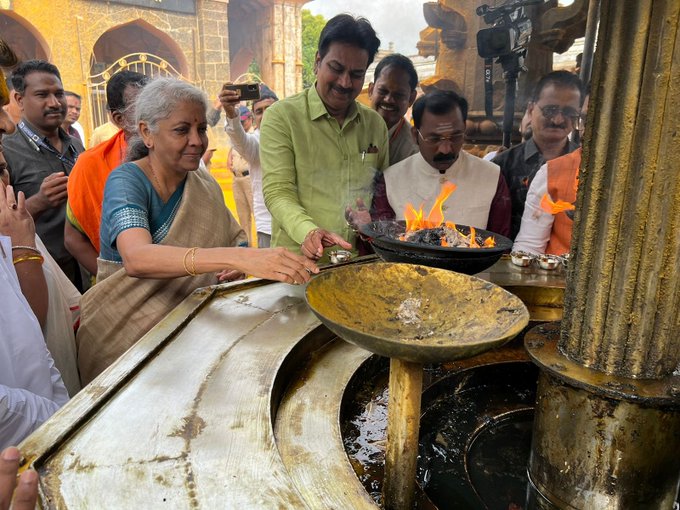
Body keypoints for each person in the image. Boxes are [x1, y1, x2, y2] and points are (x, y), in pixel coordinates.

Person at [76, 78, 319, 385]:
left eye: (201, 128)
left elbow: (235, 240)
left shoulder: (201, 182)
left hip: (192, 338)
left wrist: (238, 262)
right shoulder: (127, 181)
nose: (197, 140)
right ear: (147, 133)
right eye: (182, 130)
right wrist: (235, 258)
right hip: (125, 343)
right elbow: (137, 258)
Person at [261, 14, 387, 259]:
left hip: (358, 263)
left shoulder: (374, 125)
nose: (345, 82)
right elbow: (278, 192)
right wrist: (309, 232)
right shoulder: (282, 117)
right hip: (299, 265)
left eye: (356, 74)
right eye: (336, 68)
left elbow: (382, 193)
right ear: (318, 61)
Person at [379, 90, 511, 236]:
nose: (446, 149)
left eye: (455, 137)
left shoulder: (490, 177)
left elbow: (501, 244)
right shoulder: (391, 180)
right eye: (434, 139)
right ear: (415, 135)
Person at [3, 60, 85, 289]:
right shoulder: (6, 152)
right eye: (42, 95)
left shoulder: (76, 147)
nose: (54, 103)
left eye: (58, 93)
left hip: (85, 268)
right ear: (19, 100)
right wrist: (39, 202)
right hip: (42, 277)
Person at [64, 71, 149, 277]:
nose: (156, 115)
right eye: (142, 109)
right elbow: (73, 238)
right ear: (119, 119)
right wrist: (114, 281)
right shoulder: (91, 164)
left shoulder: (180, 154)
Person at [492, 70, 583, 239]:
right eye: (550, 110)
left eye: (569, 113)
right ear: (531, 108)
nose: (558, 120)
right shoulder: (501, 166)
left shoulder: (585, 167)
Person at [513, 87, 590, 255]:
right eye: (585, 119)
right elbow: (529, 246)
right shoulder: (552, 173)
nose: (587, 130)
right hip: (557, 278)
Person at [220, 83, 277, 248]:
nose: (265, 115)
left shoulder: (296, 136)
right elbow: (240, 140)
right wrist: (231, 112)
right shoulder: (257, 142)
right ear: (254, 116)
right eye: (259, 111)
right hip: (269, 227)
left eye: (270, 109)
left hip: (299, 225)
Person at [368, 53, 419, 165]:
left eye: (399, 95)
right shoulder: (349, 127)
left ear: (411, 98)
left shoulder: (414, 150)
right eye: (383, 91)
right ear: (371, 90)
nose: (388, 99)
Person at [227, 105, 255, 244]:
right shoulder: (237, 137)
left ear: (250, 119)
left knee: (257, 214)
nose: (241, 124)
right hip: (237, 178)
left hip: (249, 178)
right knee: (243, 217)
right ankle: (248, 248)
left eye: (243, 121)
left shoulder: (254, 135)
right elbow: (232, 149)